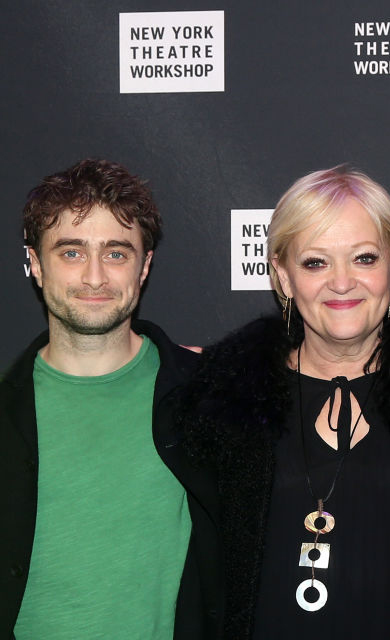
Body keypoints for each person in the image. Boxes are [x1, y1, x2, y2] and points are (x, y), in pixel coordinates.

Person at [177, 166, 390, 638]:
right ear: (283, 276)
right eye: (315, 263)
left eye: (364, 258)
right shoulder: (227, 400)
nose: (341, 283)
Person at [0, 158, 219, 637]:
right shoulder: (5, 411)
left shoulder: (209, 396)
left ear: (145, 267)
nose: (96, 277)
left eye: (117, 253)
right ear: (35, 264)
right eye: (72, 252)